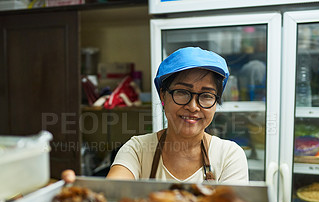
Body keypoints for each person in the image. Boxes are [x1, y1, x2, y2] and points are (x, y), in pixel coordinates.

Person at [64, 47, 248, 184]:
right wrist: (83, 193)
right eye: (182, 92)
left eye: (206, 96)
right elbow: (113, 194)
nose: (193, 106)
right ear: (162, 95)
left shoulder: (229, 156)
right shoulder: (136, 150)